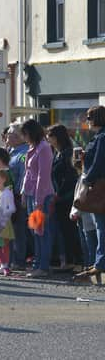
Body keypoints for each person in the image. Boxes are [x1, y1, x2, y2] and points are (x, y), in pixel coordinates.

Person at [21, 119, 55, 278]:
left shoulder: (44, 148)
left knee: (42, 232)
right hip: (30, 194)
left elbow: (43, 176)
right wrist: (23, 193)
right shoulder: (33, 147)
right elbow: (28, 173)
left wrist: (39, 200)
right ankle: (37, 264)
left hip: (41, 195)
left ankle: (43, 266)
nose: (24, 137)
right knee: (35, 231)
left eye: (25, 134)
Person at [75, 105, 105, 278]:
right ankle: (99, 262)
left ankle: (100, 263)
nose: (87, 121)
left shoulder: (102, 137)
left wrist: (86, 179)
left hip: (99, 186)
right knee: (99, 226)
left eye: (89, 117)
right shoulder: (99, 136)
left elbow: (99, 162)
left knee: (101, 227)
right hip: (99, 183)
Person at [47, 124, 80, 270]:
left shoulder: (68, 153)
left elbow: (70, 178)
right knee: (63, 230)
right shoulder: (57, 152)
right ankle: (67, 260)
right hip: (59, 196)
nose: (48, 138)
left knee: (70, 230)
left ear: (57, 137)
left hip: (66, 197)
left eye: (50, 135)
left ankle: (76, 261)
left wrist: (58, 194)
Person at [5, 124, 30, 271]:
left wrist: (21, 196)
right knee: (9, 228)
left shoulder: (23, 153)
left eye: (10, 133)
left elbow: (23, 176)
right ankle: (9, 259)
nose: (7, 136)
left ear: (18, 136)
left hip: (17, 195)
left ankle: (19, 260)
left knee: (18, 229)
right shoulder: (10, 151)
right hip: (6, 195)